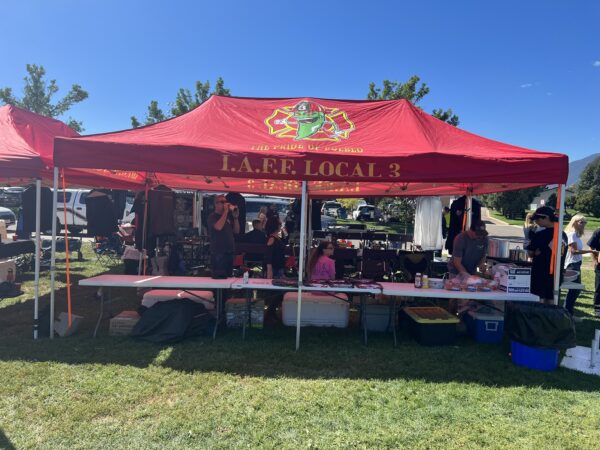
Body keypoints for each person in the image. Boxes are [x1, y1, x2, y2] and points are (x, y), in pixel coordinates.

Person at [526, 206, 564, 303]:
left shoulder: (540, 235)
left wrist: (535, 251)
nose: (536, 222)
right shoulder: (562, 234)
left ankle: (539, 317)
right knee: (551, 298)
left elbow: (530, 253)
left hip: (540, 271)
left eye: (538, 219)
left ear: (546, 218)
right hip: (557, 272)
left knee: (539, 299)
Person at [563, 214, 595, 319]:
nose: (583, 224)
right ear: (575, 222)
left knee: (575, 290)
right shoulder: (571, 234)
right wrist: (591, 251)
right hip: (572, 264)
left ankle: (568, 312)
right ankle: (567, 313)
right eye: (581, 222)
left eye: (585, 222)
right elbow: (574, 251)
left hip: (576, 264)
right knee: (575, 289)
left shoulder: (576, 235)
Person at [207, 195, 240, 277]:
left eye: (225, 201)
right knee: (219, 278)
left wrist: (235, 218)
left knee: (228, 278)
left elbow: (236, 231)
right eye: (222, 202)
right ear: (216, 204)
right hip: (218, 252)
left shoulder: (227, 217)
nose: (225, 204)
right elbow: (218, 227)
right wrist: (225, 212)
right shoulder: (212, 217)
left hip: (229, 252)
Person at [587, 226, 600, 317]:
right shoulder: (598, 231)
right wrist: (594, 260)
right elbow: (591, 247)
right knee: (599, 286)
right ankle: (597, 309)